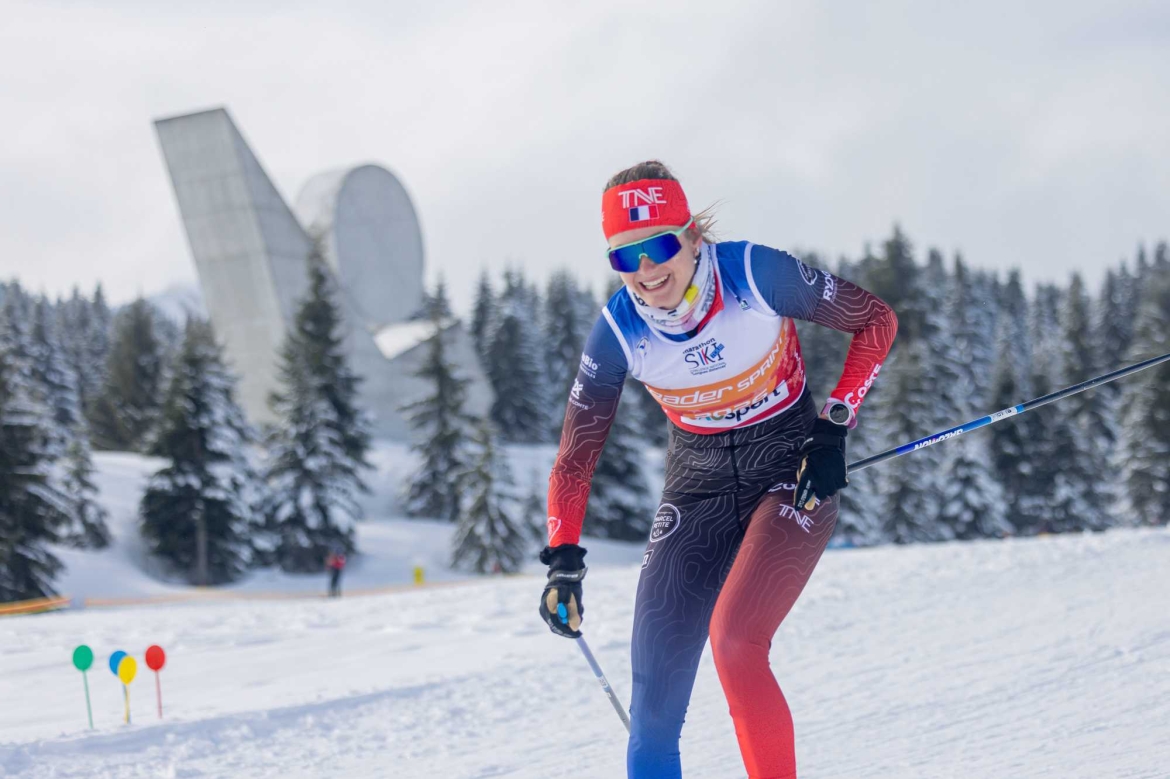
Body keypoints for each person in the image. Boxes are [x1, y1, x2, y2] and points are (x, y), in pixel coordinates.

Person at [538, 161, 897, 779]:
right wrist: (563, 558)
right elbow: (576, 456)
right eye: (626, 258)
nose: (647, 273)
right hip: (697, 488)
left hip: (789, 468)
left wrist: (834, 424)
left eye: (658, 247)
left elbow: (876, 320)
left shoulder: (753, 273)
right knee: (653, 697)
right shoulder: (619, 331)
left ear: (691, 237)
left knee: (736, 644)